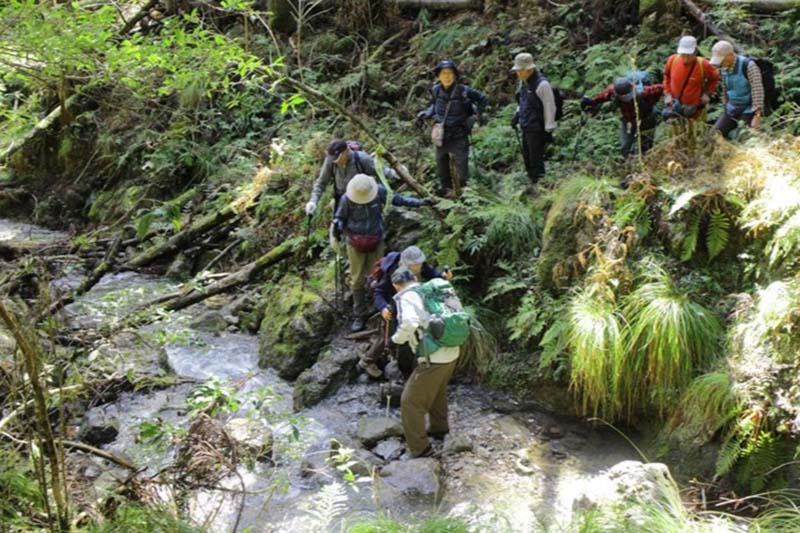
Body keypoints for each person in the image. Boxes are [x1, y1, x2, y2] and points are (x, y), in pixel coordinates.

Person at [332, 175, 431, 332]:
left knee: (379, 275)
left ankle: (380, 307)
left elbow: (397, 199)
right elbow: (340, 217)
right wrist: (338, 226)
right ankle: (359, 314)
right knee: (357, 279)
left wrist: (419, 203)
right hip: (355, 242)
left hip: (376, 239)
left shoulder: (379, 192)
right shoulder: (346, 199)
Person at [391, 267, 460, 459]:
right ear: (415, 278)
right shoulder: (431, 291)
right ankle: (439, 429)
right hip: (453, 349)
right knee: (436, 389)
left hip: (434, 355)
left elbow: (409, 323)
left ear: (396, 285)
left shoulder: (407, 296)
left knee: (410, 401)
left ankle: (420, 449)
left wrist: (396, 339)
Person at [359, 246, 453, 379]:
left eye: (420, 263)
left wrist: (442, 276)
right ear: (407, 264)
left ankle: (408, 365)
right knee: (389, 333)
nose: (420, 267)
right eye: (416, 265)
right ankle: (367, 361)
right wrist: (383, 308)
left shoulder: (419, 264)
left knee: (406, 333)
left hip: (409, 302)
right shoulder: (392, 272)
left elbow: (430, 272)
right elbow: (379, 292)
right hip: (392, 304)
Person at [416, 59, 488, 196]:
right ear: (438, 76)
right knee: (442, 170)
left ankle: (463, 198)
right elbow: (435, 106)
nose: (447, 76)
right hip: (441, 136)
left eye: (449, 73)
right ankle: (447, 198)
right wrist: (425, 114)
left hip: (459, 135)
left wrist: (475, 117)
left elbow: (483, 99)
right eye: (443, 73)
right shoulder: (436, 90)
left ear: (455, 75)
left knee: (462, 172)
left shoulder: (464, 91)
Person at [305, 138, 399, 217]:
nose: (334, 162)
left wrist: (398, 174)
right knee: (340, 228)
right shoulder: (331, 161)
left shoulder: (362, 159)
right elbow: (321, 182)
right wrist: (313, 201)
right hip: (341, 198)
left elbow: (381, 171)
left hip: (363, 199)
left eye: (337, 159)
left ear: (346, 152)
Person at [581, 76, 664, 158]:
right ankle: (630, 162)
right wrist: (591, 101)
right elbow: (602, 96)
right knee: (625, 146)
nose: (627, 99)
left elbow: (664, 88)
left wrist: (670, 103)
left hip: (646, 119)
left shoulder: (645, 91)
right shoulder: (613, 91)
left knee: (645, 145)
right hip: (629, 121)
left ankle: (646, 162)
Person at [510, 53, 557, 184]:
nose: (518, 73)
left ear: (529, 69)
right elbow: (523, 102)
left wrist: (549, 129)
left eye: (520, 70)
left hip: (537, 128)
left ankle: (540, 184)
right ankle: (532, 182)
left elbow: (550, 107)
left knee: (536, 159)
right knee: (528, 158)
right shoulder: (524, 83)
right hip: (526, 126)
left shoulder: (542, 85)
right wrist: (517, 115)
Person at [709, 40, 765, 138]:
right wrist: (725, 106)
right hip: (732, 107)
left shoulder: (748, 65)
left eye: (722, 60)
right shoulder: (724, 69)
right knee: (714, 135)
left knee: (742, 137)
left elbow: (758, 90)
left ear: (730, 55)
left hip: (748, 109)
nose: (720, 63)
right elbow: (725, 89)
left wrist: (757, 116)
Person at [662, 36, 720, 122]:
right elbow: (666, 77)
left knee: (693, 131)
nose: (685, 58)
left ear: (695, 51)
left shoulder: (703, 65)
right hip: (674, 105)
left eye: (688, 55)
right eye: (683, 55)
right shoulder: (672, 60)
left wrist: (707, 93)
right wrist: (667, 94)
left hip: (693, 108)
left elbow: (715, 78)